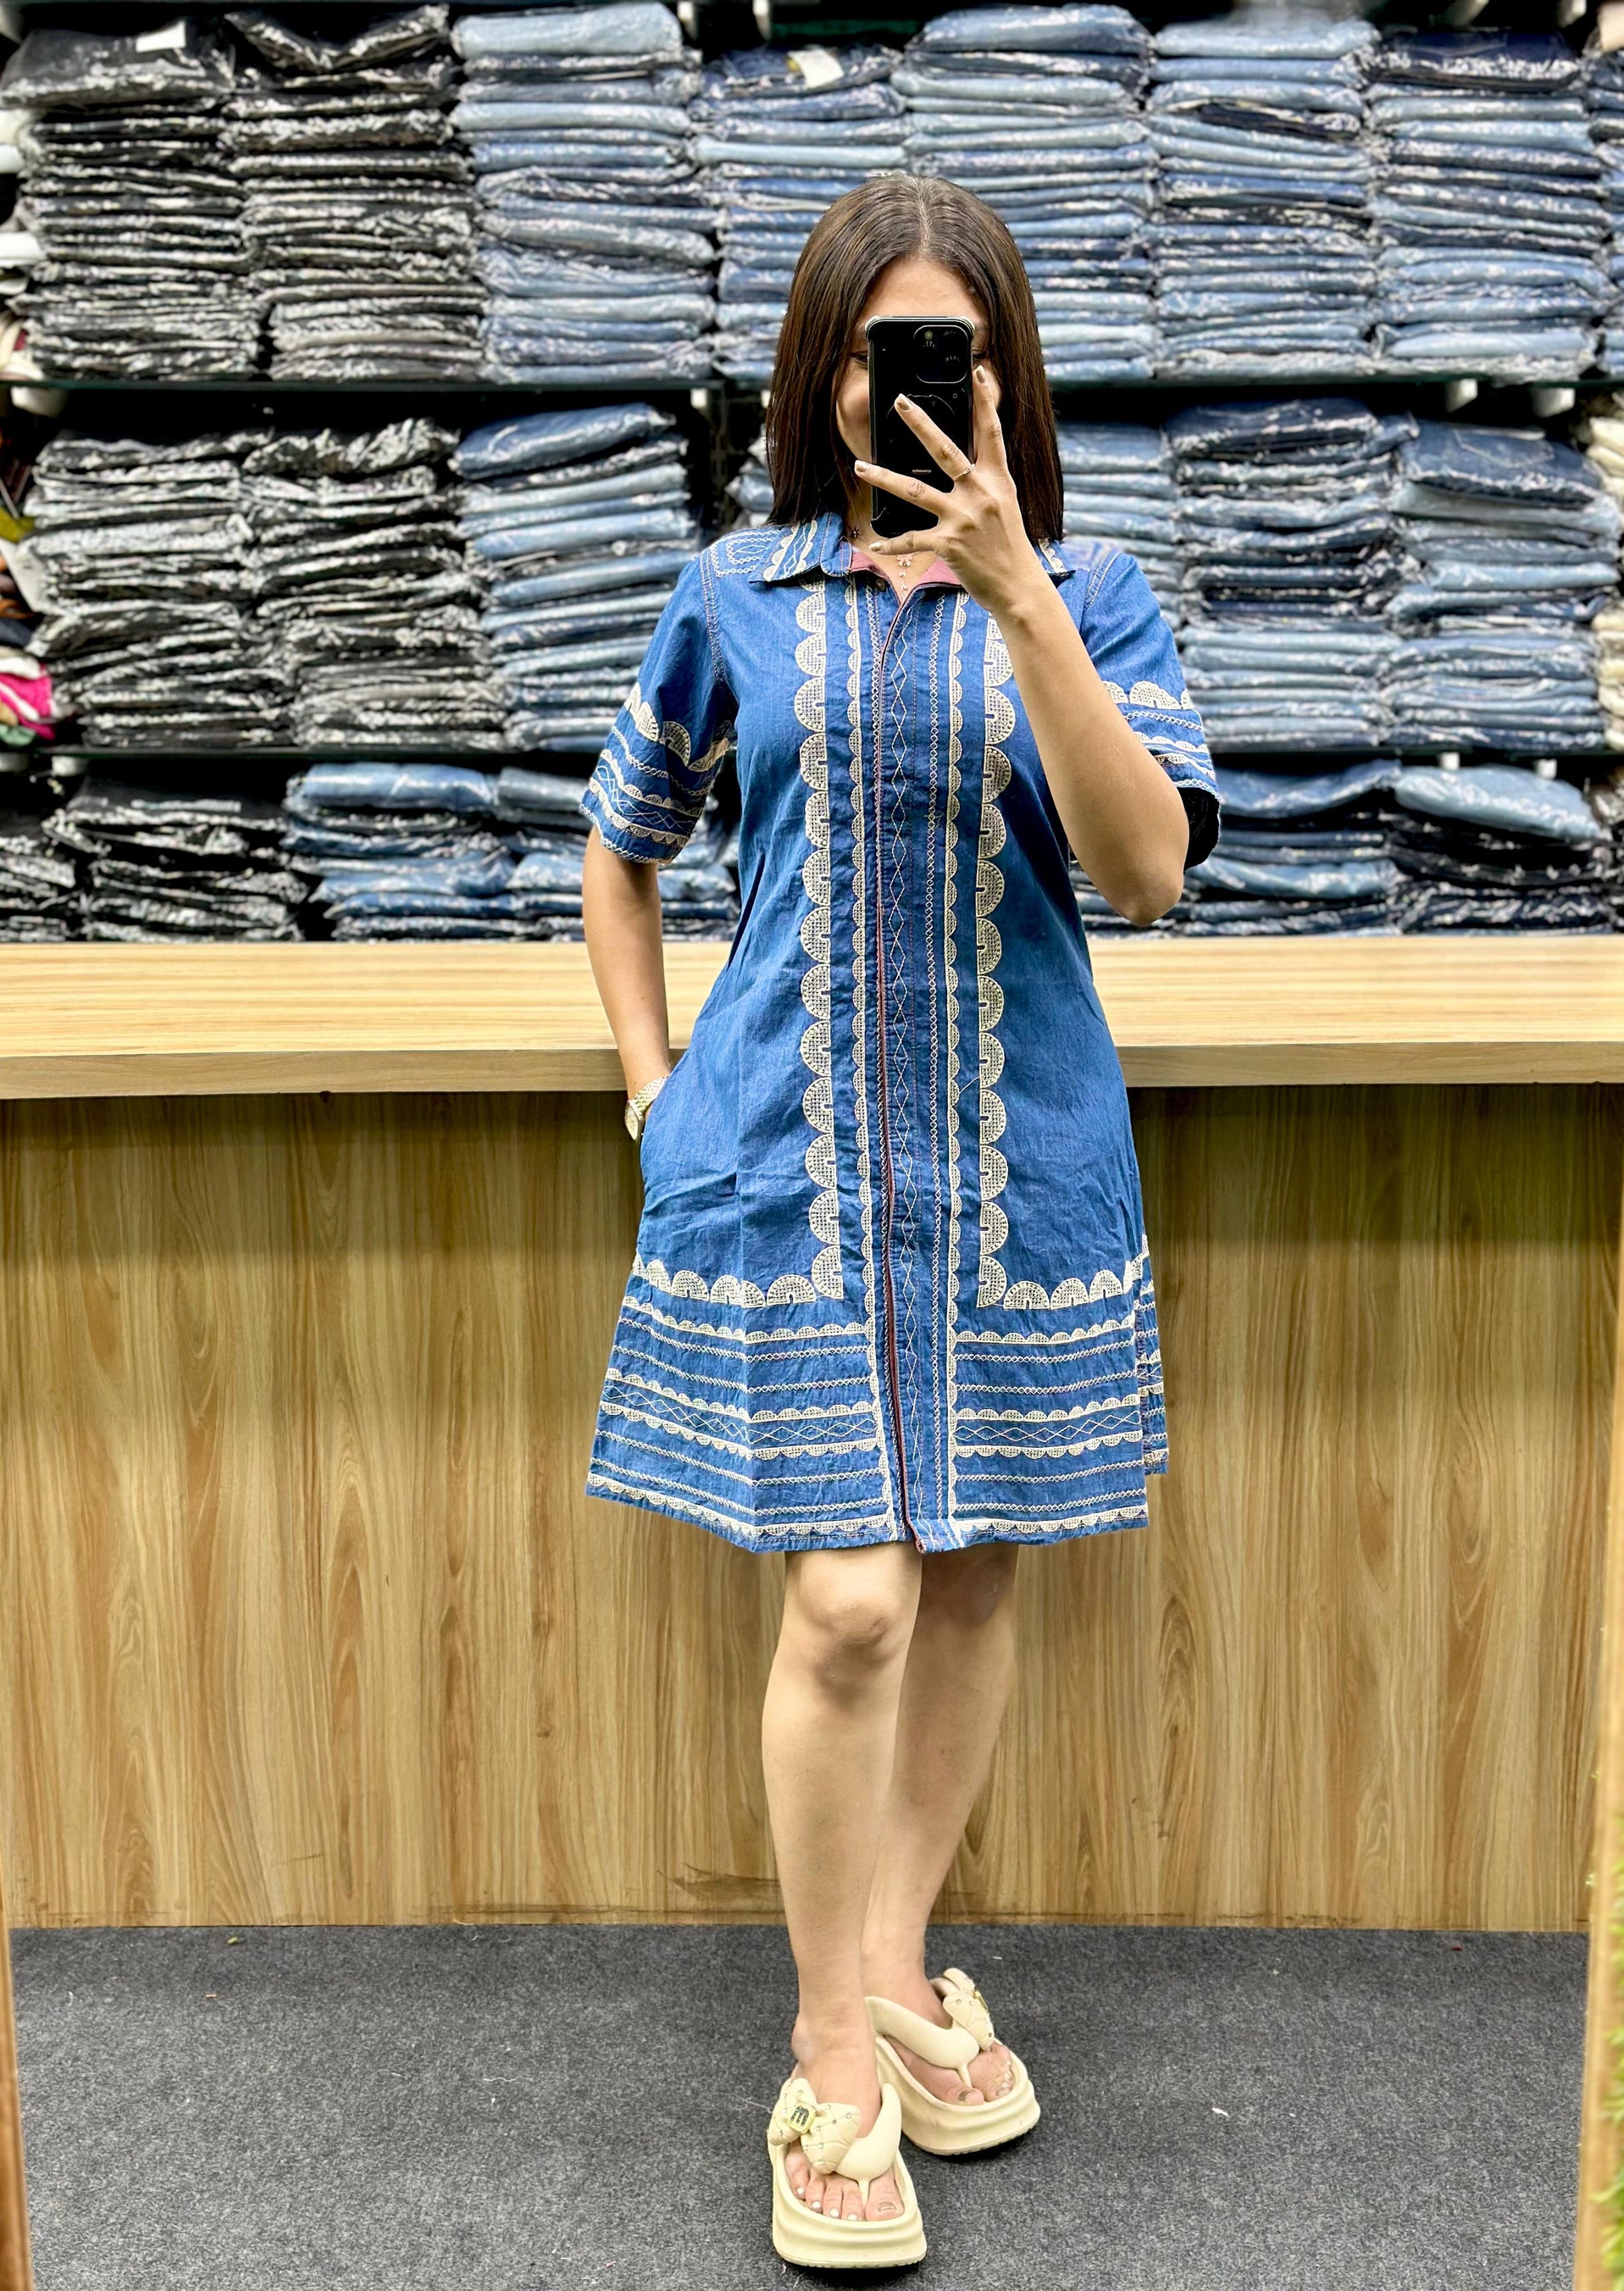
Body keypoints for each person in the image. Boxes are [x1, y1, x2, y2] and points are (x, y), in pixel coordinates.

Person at [579, 171, 1219, 2270]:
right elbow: (620, 848)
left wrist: (1020, 594)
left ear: (1011, 380)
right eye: (879, 350)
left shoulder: (1096, 595)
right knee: (849, 1601)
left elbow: (1146, 873)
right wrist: (653, 1088)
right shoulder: (731, 593)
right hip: (785, 1171)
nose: (915, 385)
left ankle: (893, 1946)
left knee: (970, 1573)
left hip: (1012, 1172)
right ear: (821, 371)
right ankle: (833, 2042)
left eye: (956, 351)